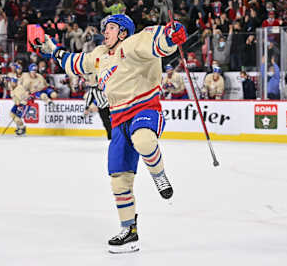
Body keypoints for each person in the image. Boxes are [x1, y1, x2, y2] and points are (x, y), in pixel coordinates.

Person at [34, 14, 187, 253]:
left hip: (144, 107)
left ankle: (159, 176)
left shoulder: (134, 43)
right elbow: (75, 62)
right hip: (118, 119)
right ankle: (129, 231)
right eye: (105, 28)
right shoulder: (99, 55)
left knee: (144, 139)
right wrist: (53, 50)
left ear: (123, 32)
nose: (105, 32)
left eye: (111, 28)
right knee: (118, 179)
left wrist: (171, 35)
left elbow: (158, 42)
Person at [83, 72, 112, 140]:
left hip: (110, 106)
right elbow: (89, 99)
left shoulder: (107, 86)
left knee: (111, 121)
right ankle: (110, 137)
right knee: (106, 122)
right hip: (102, 107)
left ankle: (113, 136)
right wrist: (86, 108)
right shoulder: (93, 89)